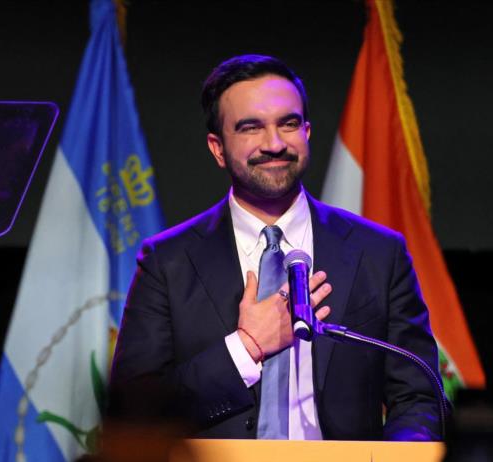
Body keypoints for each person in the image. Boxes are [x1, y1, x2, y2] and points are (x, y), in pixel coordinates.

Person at [108, 54, 443, 441]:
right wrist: (246, 347)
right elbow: (135, 415)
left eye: (289, 124)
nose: (274, 143)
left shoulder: (379, 253)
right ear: (217, 148)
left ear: (307, 132)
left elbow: (419, 397)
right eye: (251, 128)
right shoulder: (167, 263)